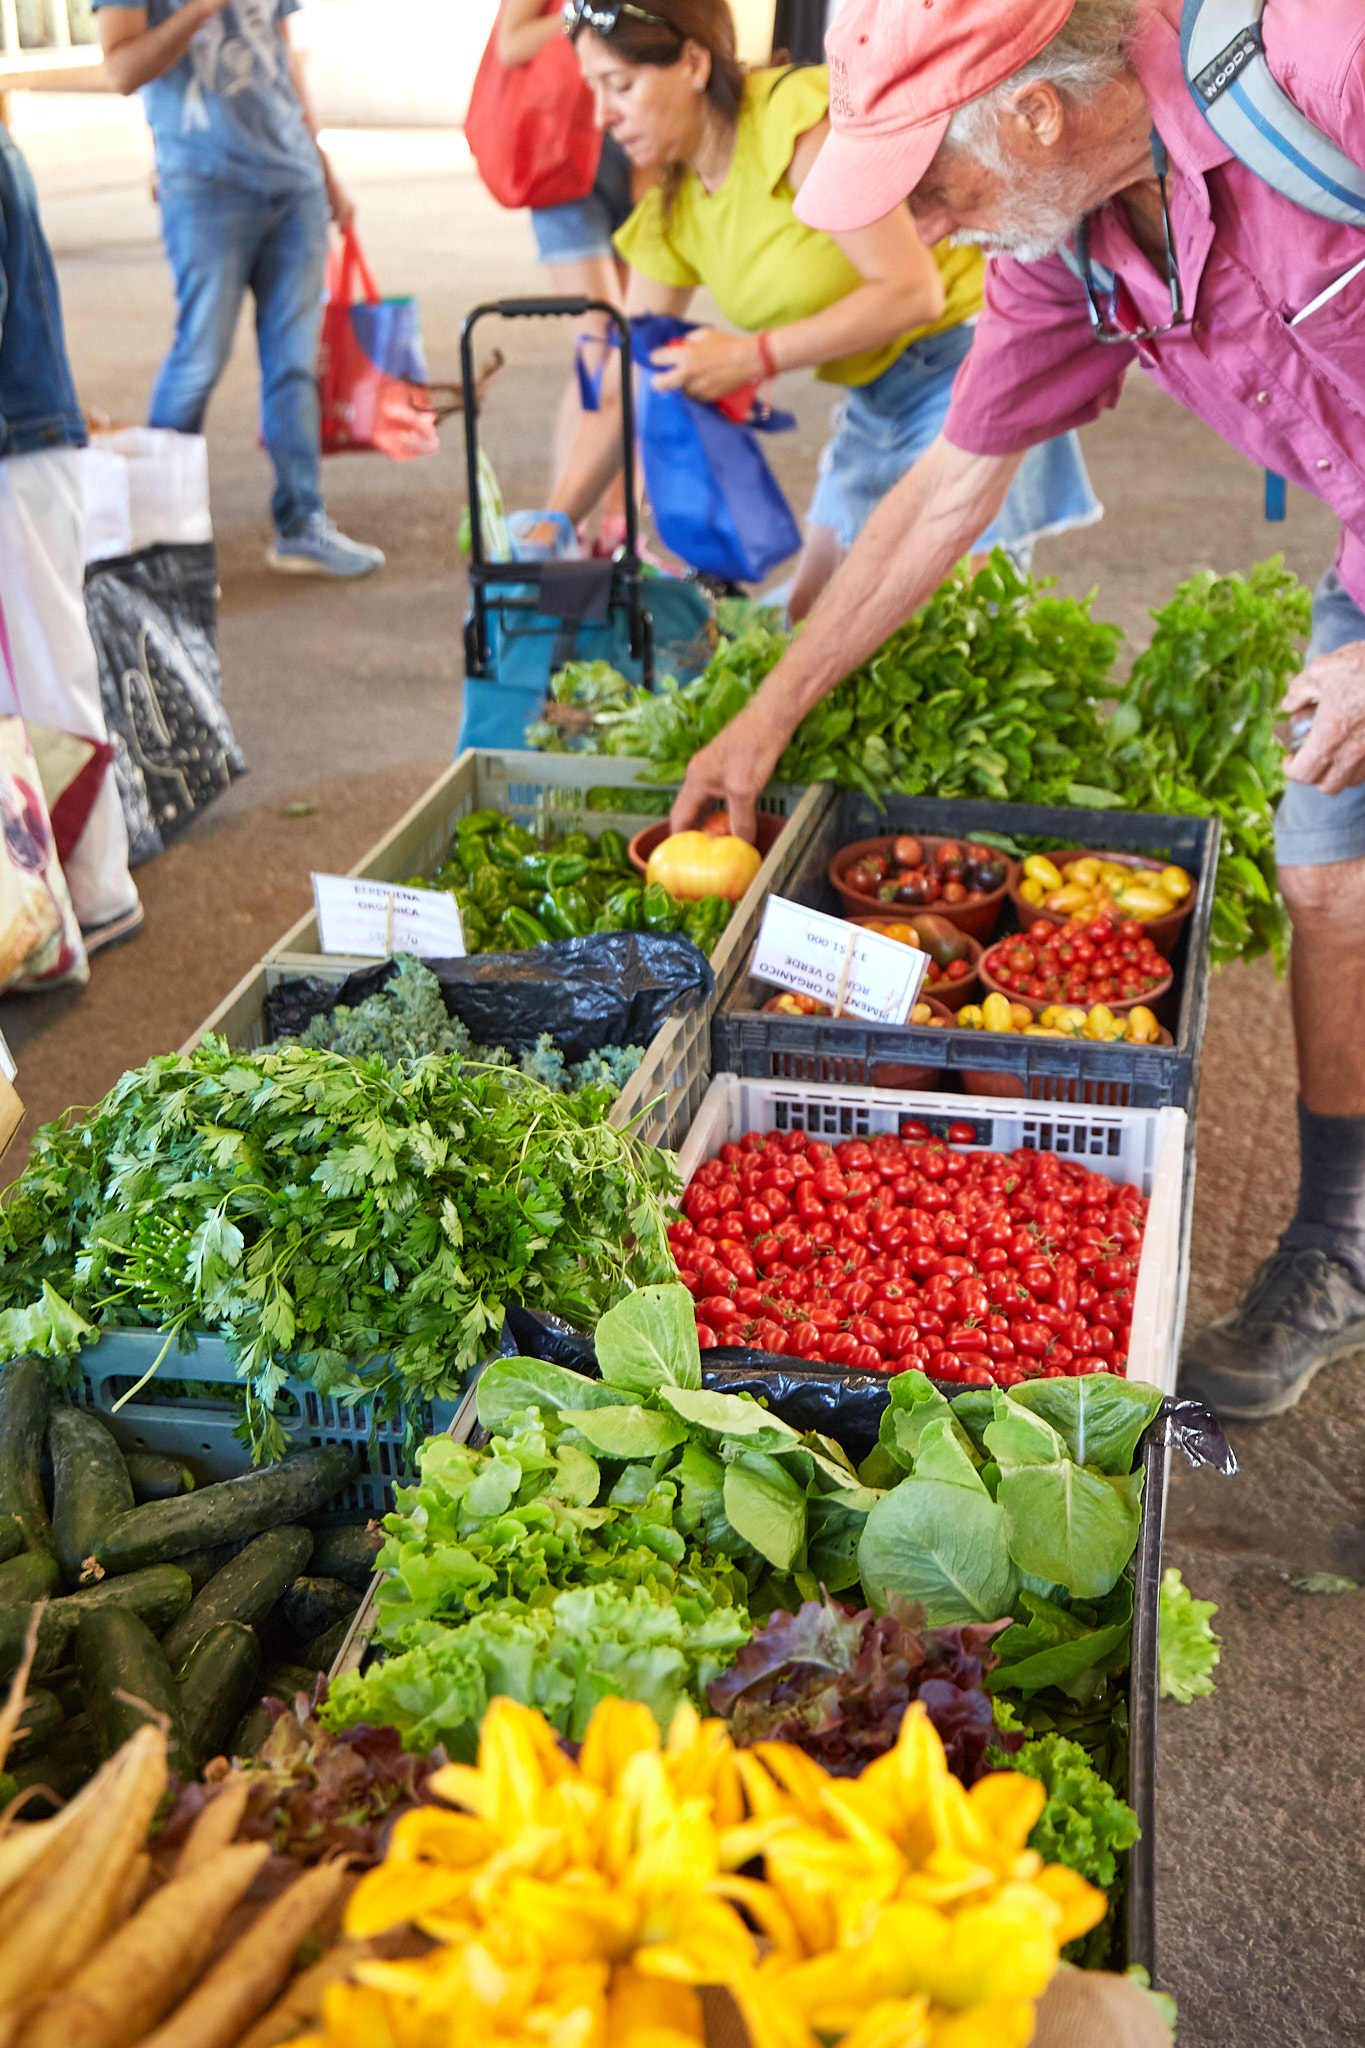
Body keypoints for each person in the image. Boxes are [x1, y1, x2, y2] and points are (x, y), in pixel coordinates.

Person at [668, 0, 1365, 1426]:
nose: (923, 234)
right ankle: (1342, 1248)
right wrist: (767, 713)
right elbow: (946, 488)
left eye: (934, 188)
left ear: (1035, 115)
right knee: (1325, 876)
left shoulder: (1322, 67)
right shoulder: (1064, 247)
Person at [537, 0, 1098, 618]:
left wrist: (748, 358)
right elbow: (627, 375)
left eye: (620, 85)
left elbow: (914, 292)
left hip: (970, 364)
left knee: (944, 624)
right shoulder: (674, 206)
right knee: (807, 623)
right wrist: (551, 526)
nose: (603, 115)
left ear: (694, 63)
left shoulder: (793, 123)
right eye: (592, 90)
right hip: (875, 401)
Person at [94, 0, 385, 579]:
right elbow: (121, 70)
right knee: (199, 358)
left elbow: (280, 55)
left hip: (294, 182)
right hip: (204, 186)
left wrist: (325, 170)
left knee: (294, 367)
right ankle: (159, 542)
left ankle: (301, 524)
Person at [0, 123, 143, 957]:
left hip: (17, 453)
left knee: (47, 678)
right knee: (44, 671)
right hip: (26, 446)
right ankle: (64, 890)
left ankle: (85, 890)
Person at [498, 0, 638, 555]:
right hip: (560, 163)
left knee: (629, 350)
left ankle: (607, 529)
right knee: (604, 348)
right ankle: (571, 530)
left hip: (636, 155)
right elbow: (512, 42)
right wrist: (591, 16)